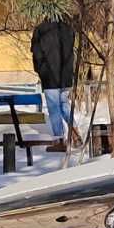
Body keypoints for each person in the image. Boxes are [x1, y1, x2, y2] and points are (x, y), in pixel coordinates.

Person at [30, 13, 78, 152]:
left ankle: (59, 139)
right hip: (66, 76)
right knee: (64, 105)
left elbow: (37, 54)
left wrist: (40, 70)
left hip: (50, 76)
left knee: (54, 108)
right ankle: (75, 132)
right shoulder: (68, 29)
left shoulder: (40, 30)